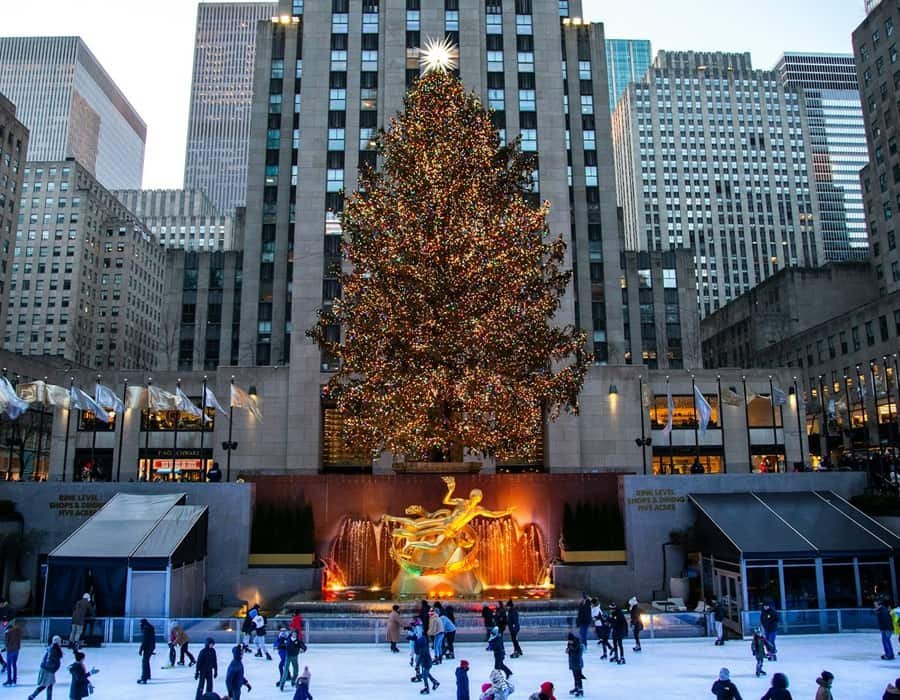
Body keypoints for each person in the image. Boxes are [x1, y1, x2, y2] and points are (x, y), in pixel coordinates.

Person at [27, 636, 63, 700]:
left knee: (47, 685)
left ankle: (33, 696)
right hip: (48, 670)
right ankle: (33, 696)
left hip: (49, 670)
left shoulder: (54, 648)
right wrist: (53, 668)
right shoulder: (53, 649)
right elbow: (49, 661)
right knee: (47, 685)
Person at [415, 624, 439, 695]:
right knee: (427, 674)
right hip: (426, 663)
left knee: (425, 676)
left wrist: (417, 665)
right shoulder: (424, 646)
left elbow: (420, 657)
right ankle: (435, 682)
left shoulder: (422, 649)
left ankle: (427, 688)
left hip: (426, 663)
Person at [565, 632, 583, 697]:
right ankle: (576, 687)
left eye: (570, 641)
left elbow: (577, 652)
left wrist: (570, 649)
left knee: (578, 676)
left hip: (577, 663)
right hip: (572, 662)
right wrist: (568, 650)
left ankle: (580, 689)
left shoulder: (578, 644)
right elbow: (568, 650)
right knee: (575, 676)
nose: (569, 642)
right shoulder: (570, 643)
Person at [137, 618, 155, 684]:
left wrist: (141, 649)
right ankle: (147, 675)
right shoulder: (150, 627)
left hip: (148, 647)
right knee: (146, 661)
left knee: (144, 661)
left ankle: (144, 678)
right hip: (151, 647)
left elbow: (144, 640)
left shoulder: (146, 628)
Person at [4, 618, 21, 686]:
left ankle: (9, 680)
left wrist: (5, 649)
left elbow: (6, 643)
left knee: (8, 665)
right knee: (14, 665)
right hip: (16, 650)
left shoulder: (7, 632)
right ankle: (14, 680)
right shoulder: (18, 631)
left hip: (10, 651)